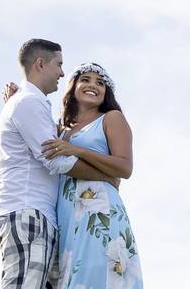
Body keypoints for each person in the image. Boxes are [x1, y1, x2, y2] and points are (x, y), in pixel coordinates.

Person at [0, 40, 118, 289]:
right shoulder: (27, 103)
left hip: (41, 215)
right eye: (59, 65)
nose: (62, 72)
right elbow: (56, 160)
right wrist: (107, 176)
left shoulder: (30, 104)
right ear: (41, 64)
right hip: (28, 209)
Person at [40, 62, 143, 288]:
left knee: (99, 276)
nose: (93, 85)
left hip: (99, 213)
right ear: (73, 86)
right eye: (85, 79)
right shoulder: (62, 130)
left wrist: (78, 150)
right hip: (67, 217)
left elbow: (125, 168)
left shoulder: (111, 118)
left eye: (100, 83)